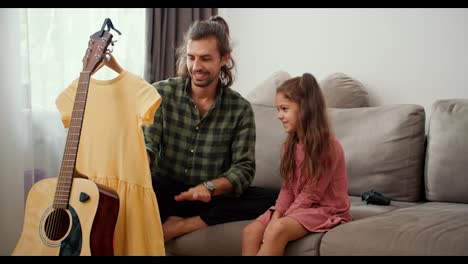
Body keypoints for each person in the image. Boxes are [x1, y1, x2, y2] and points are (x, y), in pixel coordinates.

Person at [144, 16, 278, 242]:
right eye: (191, 58)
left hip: (211, 196)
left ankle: (184, 225)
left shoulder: (240, 109)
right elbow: (148, 148)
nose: (196, 67)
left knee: (275, 198)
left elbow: (244, 169)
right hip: (167, 192)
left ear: (224, 58)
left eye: (205, 58)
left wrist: (209, 187)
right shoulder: (161, 94)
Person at [241, 73, 353, 256]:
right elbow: (287, 188)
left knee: (277, 230)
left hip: (323, 208)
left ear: (305, 109)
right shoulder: (289, 146)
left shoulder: (328, 147)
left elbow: (311, 194)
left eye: (284, 109)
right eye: (278, 109)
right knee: (250, 232)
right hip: (298, 205)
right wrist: (277, 214)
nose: (279, 116)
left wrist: (279, 222)